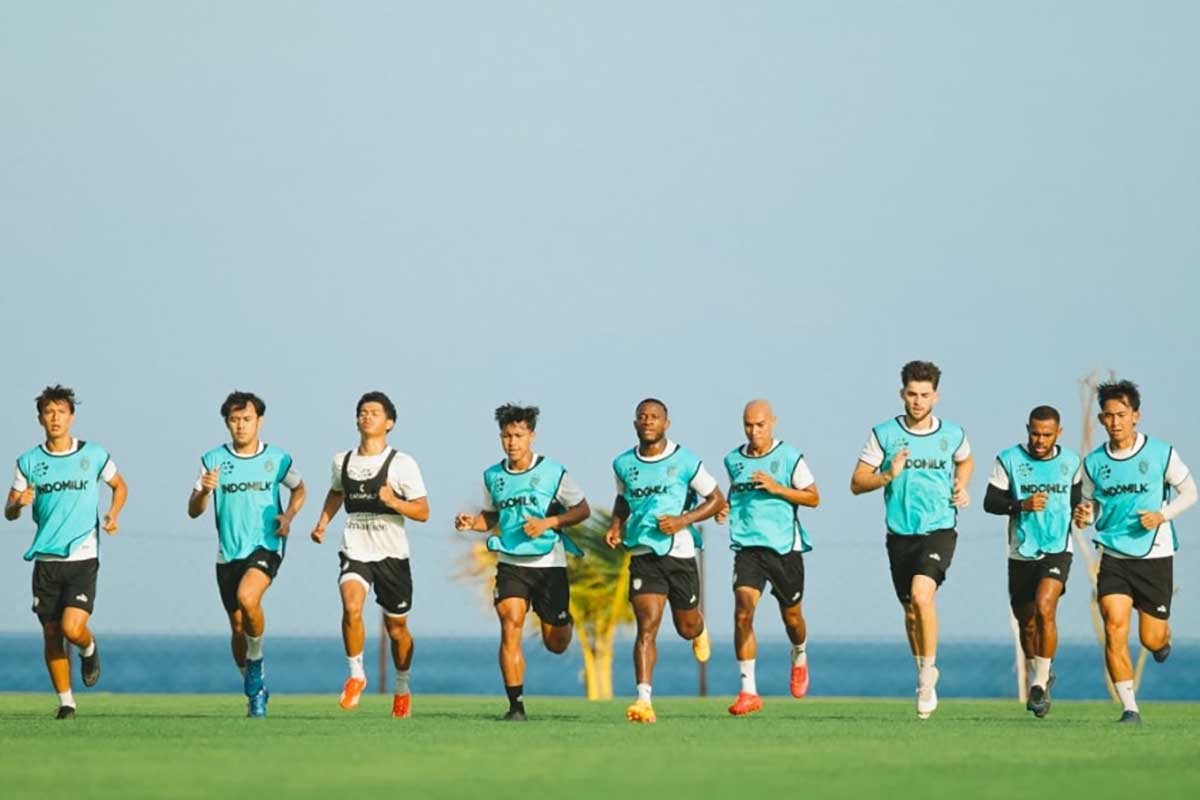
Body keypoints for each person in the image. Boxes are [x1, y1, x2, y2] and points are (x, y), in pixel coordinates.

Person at [850, 361, 973, 720]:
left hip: (939, 528)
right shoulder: (884, 434)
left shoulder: (952, 434)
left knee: (923, 595)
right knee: (909, 610)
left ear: (936, 396)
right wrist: (888, 473)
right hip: (899, 534)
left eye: (924, 395)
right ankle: (922, 666)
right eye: (912, 394)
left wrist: (961, 486)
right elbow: (857, 483)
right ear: (902, 393)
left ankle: (926, 678)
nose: (918, 401)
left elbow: (965, 460)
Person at [454, 404, 590, 721]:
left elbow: (581, 510)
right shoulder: (494, 476)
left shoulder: (553, 472)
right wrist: (470, 522)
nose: (512, 442)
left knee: (556, 642)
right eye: (506, 436)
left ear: (532, 436)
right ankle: (516, 706)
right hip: (510, 563)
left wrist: (549, 522)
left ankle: (562, 620)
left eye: (518, 435)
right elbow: (490, 517)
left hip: (549, 564)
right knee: (509, 624)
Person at [1072, 380, 1196, 724]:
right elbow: (1089, 506)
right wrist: (1085, 515)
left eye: (1122, 415)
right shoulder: (1094, 463)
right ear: (1101, 419)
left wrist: (1162, 515)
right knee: (1114, 626)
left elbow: (1190, 492)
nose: (1115, 422)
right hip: (1113, 555)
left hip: (1155, 554)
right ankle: (1129, 708)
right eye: (1109, 416)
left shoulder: (1160, 453)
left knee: (1151, 638)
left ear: (1136, 416)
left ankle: (1162, 639)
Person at [5, 385, 127, 719]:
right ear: (40, 418)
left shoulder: (93, 454)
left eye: (61, 411)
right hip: (45, 561)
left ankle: (89, 648)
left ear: (71, 416)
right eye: (48, 412)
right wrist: (19, 503)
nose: (55, 418)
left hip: (83, 556)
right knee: (51, 633)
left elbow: (119, 486)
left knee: (73, 628)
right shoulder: (29, 462)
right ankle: (66, 702)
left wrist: (113, 514)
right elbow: (9, 510)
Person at [604, 398, 725, 724]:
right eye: (642, 417)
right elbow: (622, 499)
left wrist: (682, 520)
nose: (648, 421)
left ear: (666, 424)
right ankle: (643, 700)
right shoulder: (623, 464)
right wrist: (616, 526)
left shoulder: (685, 460)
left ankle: (699, 629)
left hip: (681, 554)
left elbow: (716, 499)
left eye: (654, 417)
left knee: (685, 627)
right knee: (647, 627)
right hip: (644, 554)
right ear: (635, 424)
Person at [311, 391, 429, 719]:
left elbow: (422, 512)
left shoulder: (403, 463)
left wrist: (394, 501)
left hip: (393, 555)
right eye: (362, 412)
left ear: (389, 422)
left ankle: (402, 687)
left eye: (374, 412)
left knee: (397, 631)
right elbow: (337, 492)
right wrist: (322, 523)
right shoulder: (342, 461)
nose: (367, 416)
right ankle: (356, 675)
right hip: (355, 548)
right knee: (351, 607)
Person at [188, 391, 306, 717]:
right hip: (228, 552)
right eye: (234, 420)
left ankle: (256, 663)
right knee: (237, 627)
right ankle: (256, 689)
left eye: (247, 419)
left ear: (259, 422)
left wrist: (288, 517)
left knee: (248, 598)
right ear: (227, 423)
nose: (241, 426)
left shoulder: (277, 459)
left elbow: (299, 488)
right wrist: (205, 491)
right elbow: (193, 510)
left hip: (266, 544)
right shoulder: (212, 460)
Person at [717, 399, 819, 716]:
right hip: (748, 550)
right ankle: (748, 690)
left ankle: (799, 653)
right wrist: (726, 508)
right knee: (742, 613)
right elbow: (735, 492)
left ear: (772, 422)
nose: (754, 431)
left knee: (792, 619)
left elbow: (813, 497)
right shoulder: (733, 460)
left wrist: (778, 488)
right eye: (748, 425)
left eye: (760, 425)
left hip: (785, 550)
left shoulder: (789, 457)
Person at [983, 405, 1081, 718]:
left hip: (1057, 548)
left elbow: (1079, 503)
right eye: (1035, 433)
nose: (1040, 440)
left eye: (1047, 435)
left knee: (1045, 606)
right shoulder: (1009, 459)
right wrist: (1020, 504)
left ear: (1059, 433)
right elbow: (990, 502)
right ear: (1028, 429)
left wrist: (1084, 514)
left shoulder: (1070, 463)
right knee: (1027, 625)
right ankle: (1042, 672)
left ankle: (1038, 683)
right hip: (1021, 551)